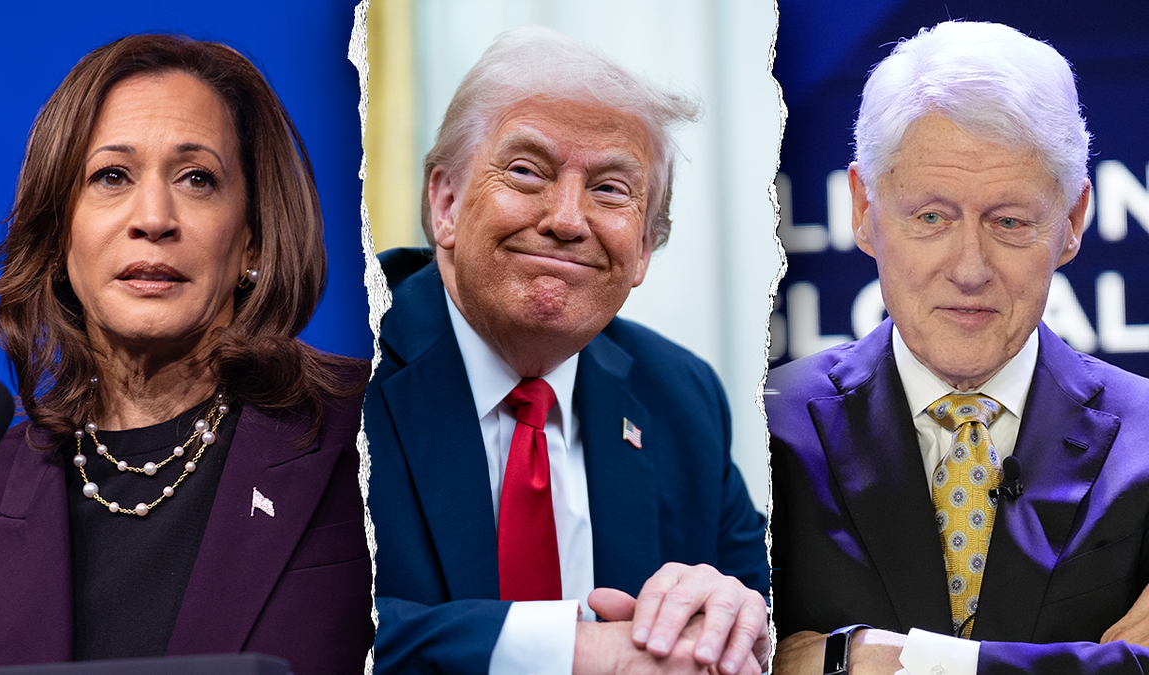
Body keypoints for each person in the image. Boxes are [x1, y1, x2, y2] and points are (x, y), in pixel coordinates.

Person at [0, 34, 372, 674]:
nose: (154, 217)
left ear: (252, 241)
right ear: (60, 233)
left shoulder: (373, 426)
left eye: (197, 179)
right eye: (111, 176)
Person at [364, 26, 769, 675]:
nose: (567, 218)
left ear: (642, 249)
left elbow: (758, 621)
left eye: (611, 188)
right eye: (526, 172)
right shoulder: (331, 367)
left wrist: (733, 619)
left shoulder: (682, 398)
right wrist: (574, 651)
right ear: (444, 202)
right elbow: (304, 629)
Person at [768, 20, 1149, 675]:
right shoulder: (762, 429)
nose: (969, 267)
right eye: (931, 217)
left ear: (1074, 221)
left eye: (1009, 221)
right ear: (864, 208)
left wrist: (871, 661)